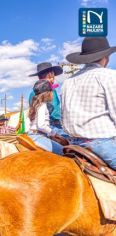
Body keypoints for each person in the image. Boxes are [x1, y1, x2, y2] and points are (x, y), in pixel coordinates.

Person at [62, 37, 116, 170]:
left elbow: (63, 118)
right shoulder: (109, 76)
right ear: (106, 58)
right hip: (101, 143)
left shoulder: (68, 82)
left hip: (73, 144)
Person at [27, 79, 68, 155]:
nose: (53, 93)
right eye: (52, 91)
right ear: (48, 93)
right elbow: (41, 125)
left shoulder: (36, 105)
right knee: (64, 151)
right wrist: (54, 133)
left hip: (32, 134)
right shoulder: (42, 105)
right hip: (38, 136)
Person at [29, 62, 63, 128]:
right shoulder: (48, 91)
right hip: (49, 123)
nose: (52, 80)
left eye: (53, 78)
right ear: (41, 79)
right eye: (49, 78)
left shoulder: (53, 90)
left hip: (51, 122)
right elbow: (54, 109)